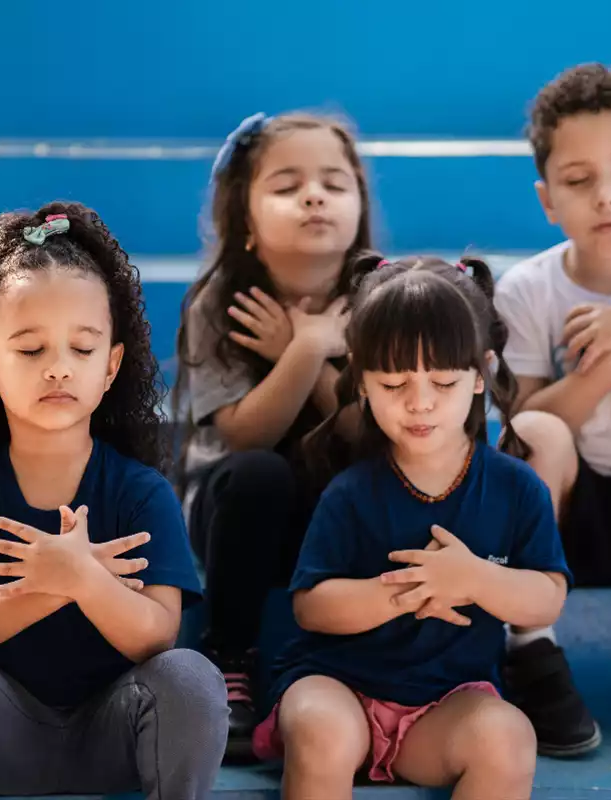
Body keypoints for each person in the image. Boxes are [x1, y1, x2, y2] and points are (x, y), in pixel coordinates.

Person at [0, 203, 228, 800]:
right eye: (31, 350)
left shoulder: (142, 491)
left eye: (82, 349)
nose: (58, 370)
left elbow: (157, 634)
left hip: (116, 739)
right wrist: (53, 581)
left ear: (111, 364)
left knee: (191, 676)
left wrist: (83, 579)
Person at [253, 256, 571, 799]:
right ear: (361, 380)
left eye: (442, 382)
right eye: (394, 382)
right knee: (321, 729)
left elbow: (546, 598)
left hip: (445, 708)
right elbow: (312, 606)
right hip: (340, 689)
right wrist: (409, 590)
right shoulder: (351, 492)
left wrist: (474, 579)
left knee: (509, 739)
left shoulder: (517, 488)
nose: (419, 402)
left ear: (481, 373)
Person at [173, 111, 374, 755]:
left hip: (333, 518)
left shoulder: (380, 300)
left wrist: (300, 349)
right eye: (288, 186)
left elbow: (371, 435)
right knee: (260, 474)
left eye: (334, 184)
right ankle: (229, 656)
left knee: (380, 478)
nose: (314, 197)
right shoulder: (220, 302)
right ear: (246, 223)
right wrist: (308, 349)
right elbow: (244, 439)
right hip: (236, 520)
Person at [495, 63, 611, 756]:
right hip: (568, 518)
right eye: (580, 179)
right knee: (534, 432)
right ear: (548, 200)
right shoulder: (527, 291)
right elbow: (526, 422)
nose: (607, 195)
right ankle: (530, 645)